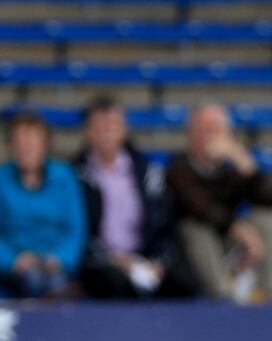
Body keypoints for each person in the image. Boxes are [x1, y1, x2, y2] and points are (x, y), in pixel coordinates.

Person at [72, 94, 198, 299]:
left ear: (124, 129)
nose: (107, 132)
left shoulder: (149, 173)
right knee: (114, 282)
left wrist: (159, 261)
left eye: (112, 124)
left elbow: (166, 223)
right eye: (100, 126)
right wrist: (115, 260)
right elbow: (77, 230)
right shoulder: (75, 176)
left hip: (146, 259)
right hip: (101, 263)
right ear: (88, 132)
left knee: (184, 282)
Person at [166, 103, 272, 301]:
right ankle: (221, 296)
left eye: (217, 130)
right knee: (195, 229)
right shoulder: (179, 168)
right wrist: (236, 227)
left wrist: (246, 164)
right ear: (191, 134)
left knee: (265, 218)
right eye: (205, 129)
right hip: (190, 251)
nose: (211, 136)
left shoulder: (229, 171)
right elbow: (199, 208)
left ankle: (267, 292)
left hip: (228, 242)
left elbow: (267, 198)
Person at [0, 112, 86, 299]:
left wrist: (61, 259)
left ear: (45, 145)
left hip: (56, 266)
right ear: (10, 147)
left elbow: (76, 229)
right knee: (34, 280)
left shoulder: (65, 177)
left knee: (54, 282)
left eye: (32, 143)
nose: (25, 149)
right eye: (19, 143)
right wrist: (13, 261)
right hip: (14, 269)